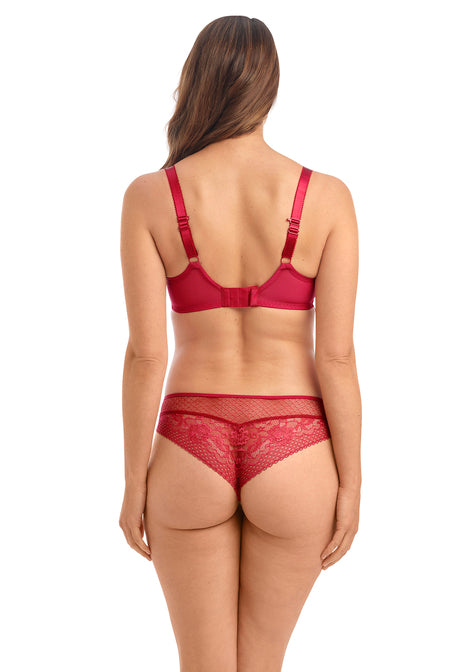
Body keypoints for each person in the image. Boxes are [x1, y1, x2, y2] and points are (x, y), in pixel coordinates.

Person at [119, 14, 362, 672]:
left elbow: (146, 355)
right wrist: (350, 482)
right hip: (297, 448)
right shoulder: (326, 198)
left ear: (196, 81)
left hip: (188, 444)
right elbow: (336, 357)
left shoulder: (151, 197)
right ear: (269, 87)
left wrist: (134, 481)